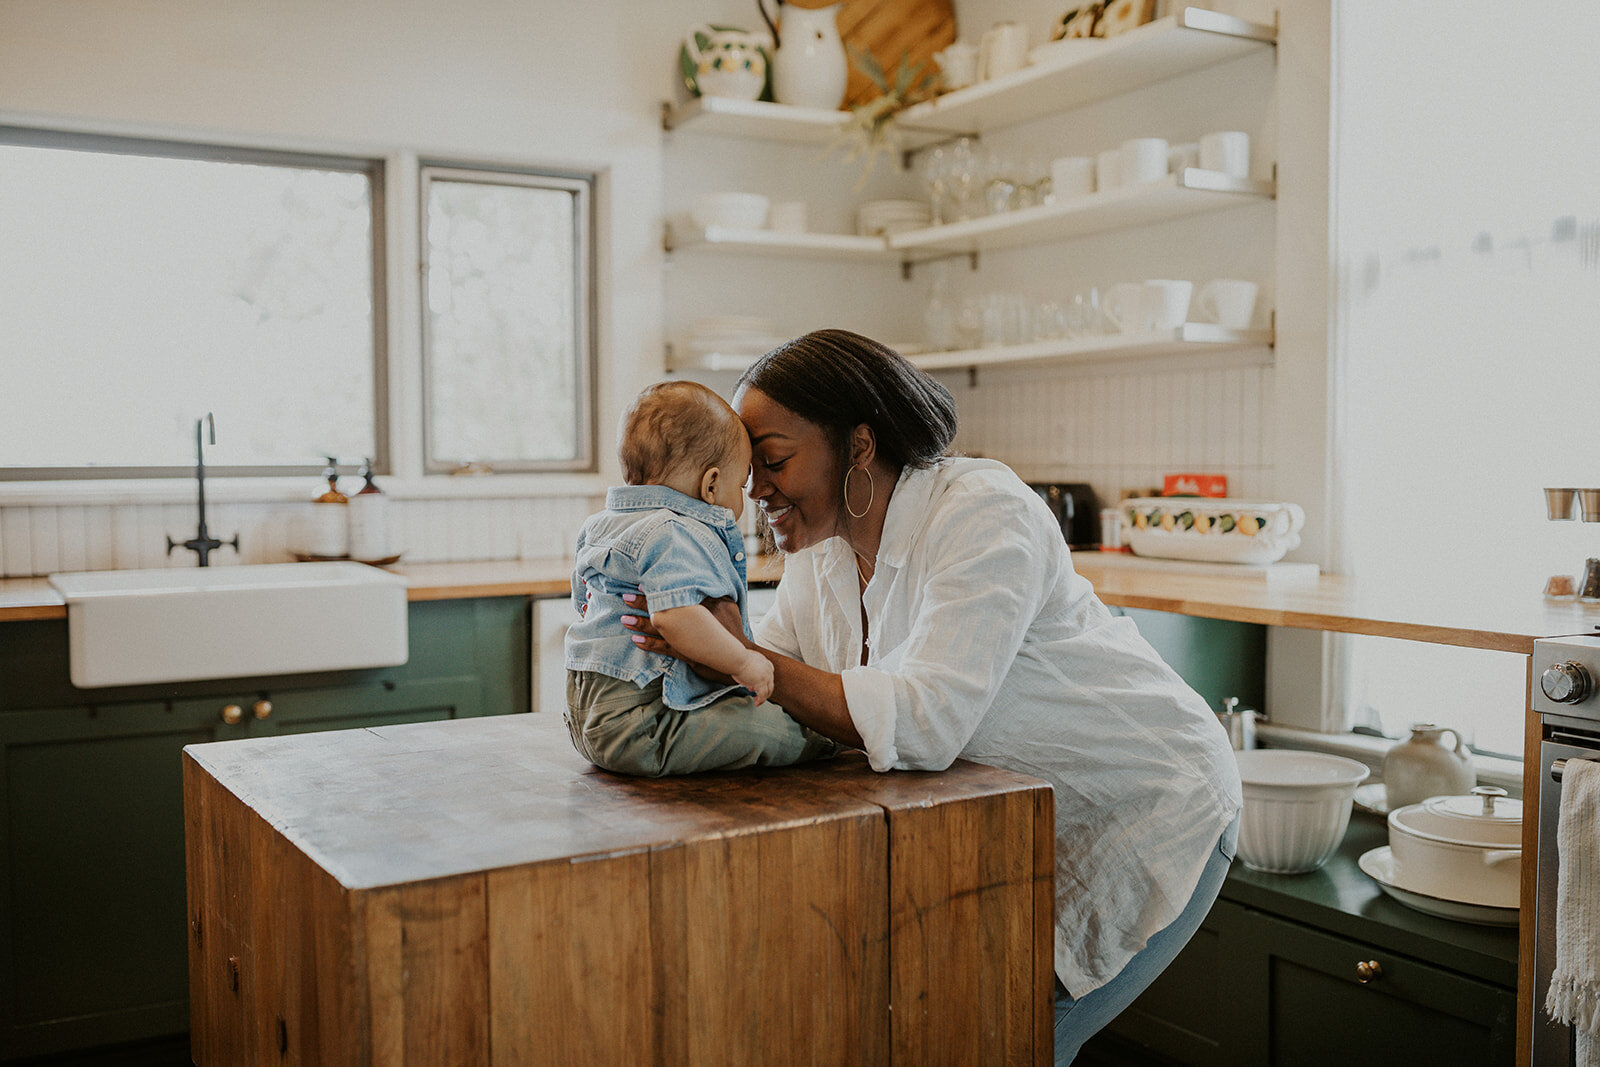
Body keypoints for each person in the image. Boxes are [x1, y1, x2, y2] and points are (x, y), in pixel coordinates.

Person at [623, 330, 1243, 1063]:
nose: (752, 487)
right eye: (744, 464)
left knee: (1011, 1043)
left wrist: (745, 656)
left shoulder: (982, 511)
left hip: (1144, 809)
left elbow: (924, 721)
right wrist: (691, 655)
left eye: (774, 459)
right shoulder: (821, 557)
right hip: (1006, 829)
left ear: (859, 444)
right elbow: (772, 689)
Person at [563, 380, 836, 777]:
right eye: (741, 483)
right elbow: (674, 618)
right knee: (762, 727)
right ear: (710, 485)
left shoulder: (600, 525)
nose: (748, 497)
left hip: (582, 712)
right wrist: (744, 660)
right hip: (643, 721)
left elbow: (583, 602)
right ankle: (824, 742)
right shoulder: (674, 531)